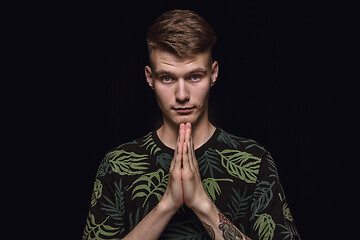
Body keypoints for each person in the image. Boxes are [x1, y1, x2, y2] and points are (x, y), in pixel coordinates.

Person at [83, 9, 301, 240]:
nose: (182, 94)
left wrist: (201, 203)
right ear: (150, 78)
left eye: (194, 76)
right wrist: (167, 204)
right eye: (167, 78)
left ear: (213, 74)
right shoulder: (117, 165)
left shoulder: (255, 161)